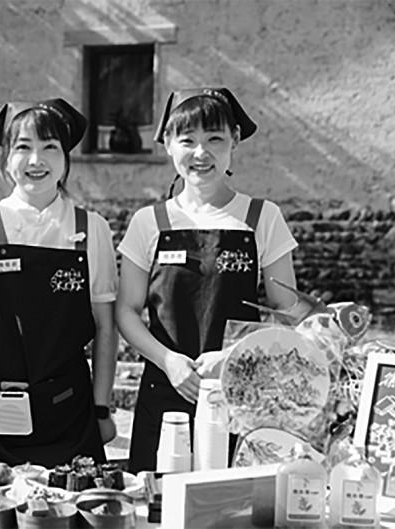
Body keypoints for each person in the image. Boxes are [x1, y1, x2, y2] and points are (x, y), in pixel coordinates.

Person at [116, 88, 304, 473]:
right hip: (165, 392)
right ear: (168, 144)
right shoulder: (149, 222)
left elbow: (287, 310)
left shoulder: (261, 217)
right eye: (187, 140)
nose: (201, 153)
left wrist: (234, 357)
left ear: (235, 140)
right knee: (157, 500)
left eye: (215, 139)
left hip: (240, 396)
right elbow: (127, 311)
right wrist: (168, 361)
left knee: (234, 501)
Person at [0, 98, 118, 467]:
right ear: (6, 159)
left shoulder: (91, 228)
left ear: (66, 159)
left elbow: (105, 326)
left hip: (69, 414)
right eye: (23, 147)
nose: (36, 160)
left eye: (50, 147)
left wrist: (101, 407)